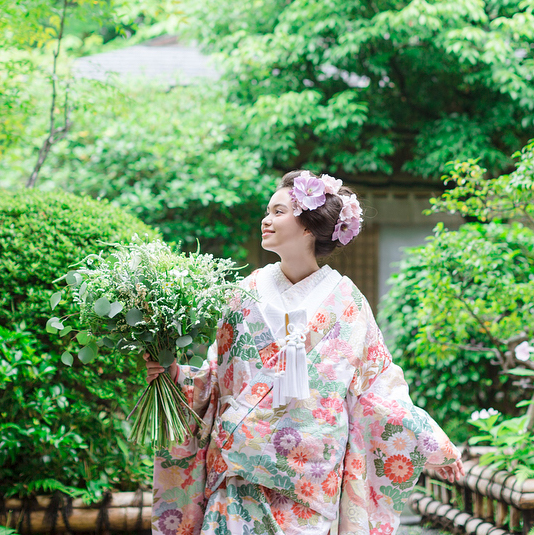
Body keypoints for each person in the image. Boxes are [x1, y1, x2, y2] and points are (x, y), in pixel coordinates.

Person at [145, 170, 464, 535]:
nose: (266, 220)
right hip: (238, 472)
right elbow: (218, 377)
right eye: (267, 211)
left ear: (309, 226)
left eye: (278, 212)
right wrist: (174, 376)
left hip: (311, 480)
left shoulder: (347, 302)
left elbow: (377, 388)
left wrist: (430, 442)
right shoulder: (244, 293)